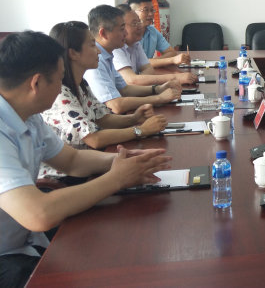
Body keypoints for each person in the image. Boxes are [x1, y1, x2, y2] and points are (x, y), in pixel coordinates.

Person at [0, 31, 171, 287]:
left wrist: (123, 162)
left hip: (23, 241)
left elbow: (72, 160)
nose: (62, 87)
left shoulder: (28, 115)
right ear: (36, 83)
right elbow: (38, 213)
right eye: (59, 79)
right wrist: (116, 179)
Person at [42, 21, 167, 152]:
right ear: (73, 53)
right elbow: (94, 139)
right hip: (76, 163)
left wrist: (134, 118)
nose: (98, 51)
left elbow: (103, 118)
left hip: (93, 157)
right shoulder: (60, 93)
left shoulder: (80, 84)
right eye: (92, 45)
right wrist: (141, 130)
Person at [83, 5, 180, 114]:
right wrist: (158, 98)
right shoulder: (96, 61)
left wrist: (158, 89)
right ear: (103, 33)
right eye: (121, 29)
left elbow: (125, 89)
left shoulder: (107, 55)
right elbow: (115, 106)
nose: (125, 33)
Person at [112, 5, 197, 86]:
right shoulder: (115, 48)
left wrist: (141, 79)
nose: (140, 26)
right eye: (134, 24)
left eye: (139, 22)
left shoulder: (135, 43)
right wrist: (176, 77)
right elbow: (132, 81)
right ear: (121, 27)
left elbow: (149, 69)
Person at [126, 0, 189, 67]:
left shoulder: (152, 30)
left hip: (146, 72)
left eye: (152, 10)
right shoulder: (128, 34)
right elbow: (138, 63)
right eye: (146, 10)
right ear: (132, 13)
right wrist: (171, 60)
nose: (150, 14)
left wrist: (154, 62)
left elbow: (171, 52)